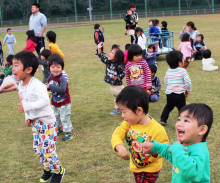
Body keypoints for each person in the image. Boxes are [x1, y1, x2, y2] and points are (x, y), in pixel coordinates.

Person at [12, 51, 65, 182]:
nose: (13, 69)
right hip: (36, 123)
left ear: (28, 69)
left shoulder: (37, 85)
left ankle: (58, 171)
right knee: (38, 149)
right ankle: (47, 168)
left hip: (47, 123)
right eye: (13, 65)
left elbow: (45, 101)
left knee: (48, 150)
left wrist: (26, 108)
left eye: (16, 65)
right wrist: (27, 117)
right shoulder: (21, 85)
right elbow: (25, 102)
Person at [139, 103, 213, 183]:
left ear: (202, 130)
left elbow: (191, 172)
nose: (179, 123)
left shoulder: (200, 150)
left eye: (186, 120)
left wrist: (178, 150)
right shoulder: (184, 146)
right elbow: (170, 151)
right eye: (178, 119)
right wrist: (154, 147)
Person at [111, 85, 169, 183]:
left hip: (150, 170)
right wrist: (119, 147)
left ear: (139, 111)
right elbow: (117, 134)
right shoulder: (128, 123)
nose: (122, 116)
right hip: (135, 166)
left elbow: (165, 149)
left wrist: (153, 150)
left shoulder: (157, 130)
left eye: (124, 112)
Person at [46, 54, 75, 141]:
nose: (55, 69)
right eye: (53, 67)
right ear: (49, 68)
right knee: (56, 117)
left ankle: (70, 133)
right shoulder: (50, 77)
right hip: (55, 102)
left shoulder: (62, 78)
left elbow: (62, 89)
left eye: (58, 67)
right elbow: (49, 89)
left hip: (64, 103)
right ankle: (60, 129)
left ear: (62, 68)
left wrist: (50, 87)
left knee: (64, 118)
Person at [160, 51, 191, 125]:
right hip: (179, 95)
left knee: (168, 106)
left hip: (170, 94)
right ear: (180, 63)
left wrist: (170, 86)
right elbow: (188, 82)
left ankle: (163, 119)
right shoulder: (183, 71)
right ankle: (184, 121)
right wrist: (187, 90)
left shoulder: (168, 71)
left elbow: (166, 80)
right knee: (182, 109)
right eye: (183, 59)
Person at [97, 42, 125, 114]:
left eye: (112, 53)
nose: (109, 54)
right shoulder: (108, 62)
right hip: (112, 85)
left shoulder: (119, 65)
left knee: (121, 99)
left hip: (118, 87)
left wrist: (117, 77)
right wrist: (99, 48)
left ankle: (126, 109)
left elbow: (123, 73)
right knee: (115, 98)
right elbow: (101, 56)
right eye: (110, 52)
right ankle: (117, 109)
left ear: (117, 57)